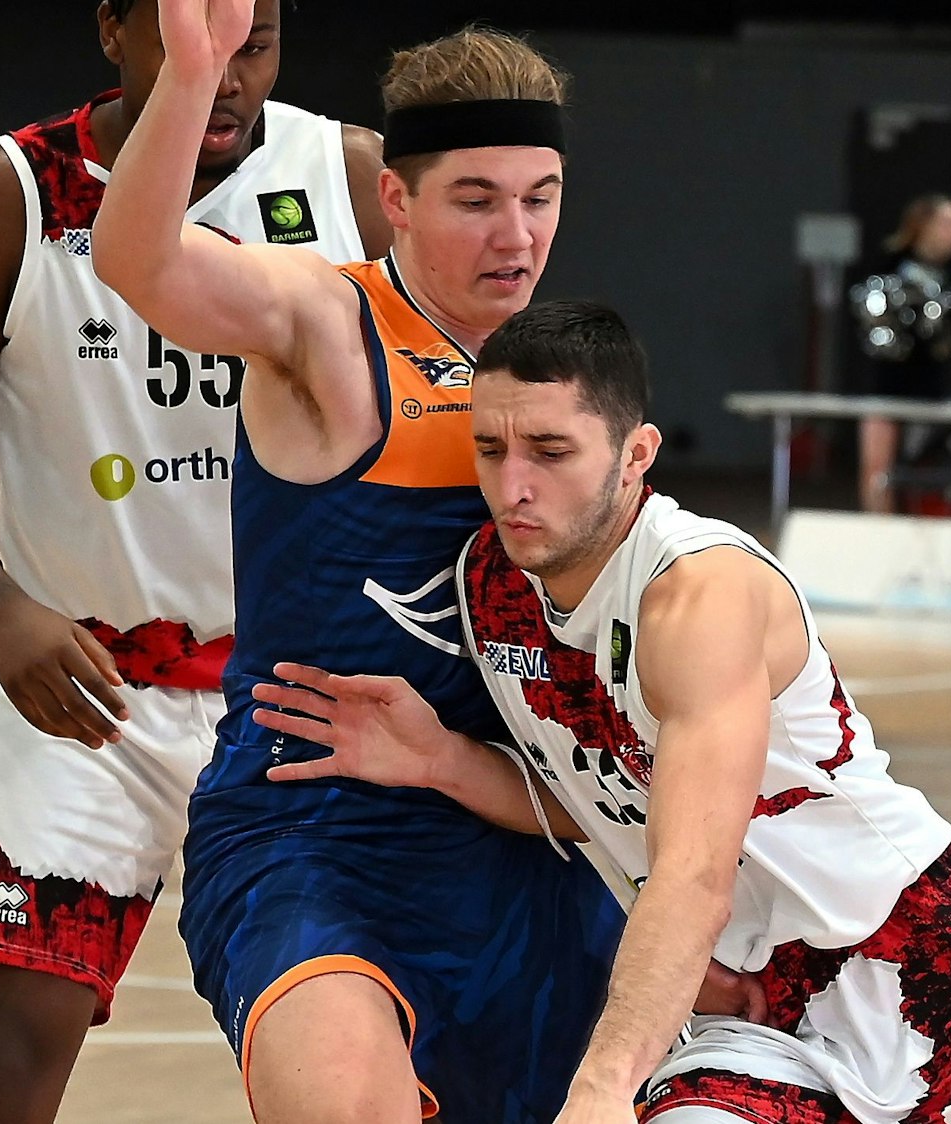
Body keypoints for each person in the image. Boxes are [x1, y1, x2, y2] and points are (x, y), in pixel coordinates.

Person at [256, 300, 951, 1124]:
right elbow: (607, 802)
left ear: (636, 455)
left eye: (551, 452)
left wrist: (600, 1089)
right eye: (490, 449)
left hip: (930, 973)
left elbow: (693, 874)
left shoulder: (698, 593)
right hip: (756, 1019)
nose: (512, 485)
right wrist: (441, 760)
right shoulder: (489, 585)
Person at [90, 6, 621, 1122]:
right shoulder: (329, 322)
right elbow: (135, 260)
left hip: (515, 831)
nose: (514, 236)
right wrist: (193, 73)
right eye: (475, 201)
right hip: (309, 829)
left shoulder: (570, 379)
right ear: (397, 198)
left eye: (540, 197)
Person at [0, 1, 386, 1119]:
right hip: (79, 695)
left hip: (295, 701)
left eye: (257, 41)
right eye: (195, 36)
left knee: (354, 1075)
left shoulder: (348, 180)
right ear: (113, 29)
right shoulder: (8, 193)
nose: (228, 73)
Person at [855, 193, 951, 514]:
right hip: (887, 383)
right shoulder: (888, 268)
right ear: (924, 226)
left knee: (927, 470)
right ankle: (878, 536)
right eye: (949, 223)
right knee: (877, 469)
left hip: (935, 389)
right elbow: (872, 320)